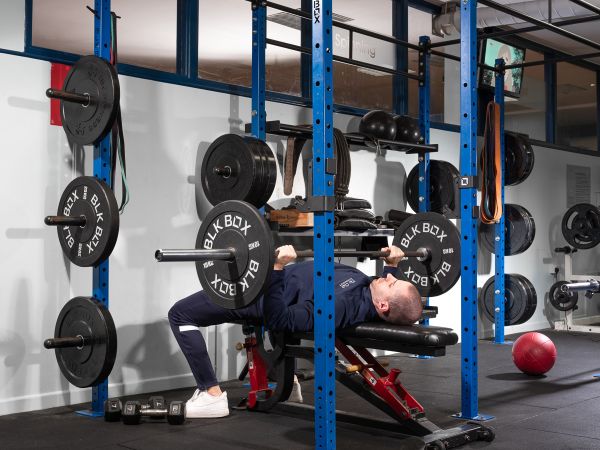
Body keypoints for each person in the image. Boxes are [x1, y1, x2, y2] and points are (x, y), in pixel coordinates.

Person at [168, 244, 423, 419]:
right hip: (268, 283)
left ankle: (211, 396)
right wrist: (391, 266)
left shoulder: (340, 306)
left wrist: (278, 267)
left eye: (392, 282)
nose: (389, 277)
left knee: (180, 314)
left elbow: (279, 319)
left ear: (382, 305)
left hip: (257, 295)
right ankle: (286, 381)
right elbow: (390, 295)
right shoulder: (367, 289)